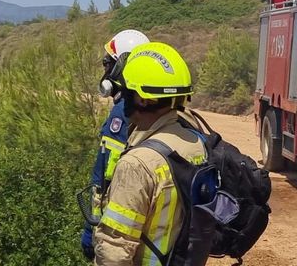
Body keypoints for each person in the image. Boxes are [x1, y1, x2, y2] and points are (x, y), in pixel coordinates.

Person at [93, 42, 208, 266]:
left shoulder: (138, 164)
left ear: (143, 99)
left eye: (126, 91)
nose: (121, 97)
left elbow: (115, 251)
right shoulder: (198, 142)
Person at [81, 29, 151, 260]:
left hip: (118, 231)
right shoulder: (156, 109)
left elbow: (104, 179)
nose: (105, 70)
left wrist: (90, 231)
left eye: (107, 63)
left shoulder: (122, 115)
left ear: (120, 67)